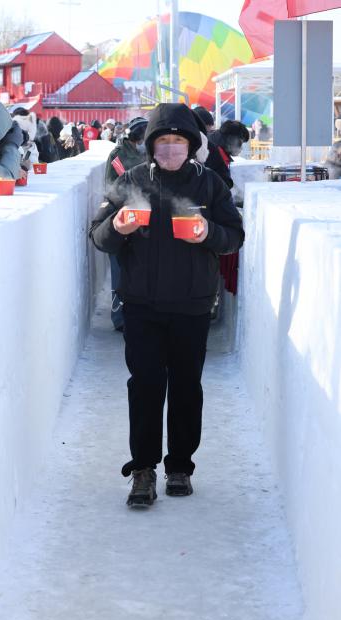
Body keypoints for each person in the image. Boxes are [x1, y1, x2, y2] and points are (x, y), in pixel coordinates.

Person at [89, 103, 244, 508]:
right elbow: (99, 237)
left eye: (178, 141)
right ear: (151, 145)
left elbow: (234, 236)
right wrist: (118, 227)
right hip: (141, 305)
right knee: (144, 387)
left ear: (191, 144)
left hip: (192, 306)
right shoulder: (131, 181)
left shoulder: (210, 185)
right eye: (163, 141)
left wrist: (209, 232)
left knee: (186, 388)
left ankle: (179, 466)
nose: (171, 149)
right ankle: (143, 469)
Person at [104, 116, 149, 332]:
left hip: (145, 219)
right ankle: (119, 317)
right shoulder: (118, 156)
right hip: (122, 217)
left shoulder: (147, 153)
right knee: (119, 271)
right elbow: (119, 187)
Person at [207, 119, 250, 189]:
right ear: (231, 140)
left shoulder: (214, 142)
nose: (241, 148)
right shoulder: (214, 154)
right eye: (240, 143)